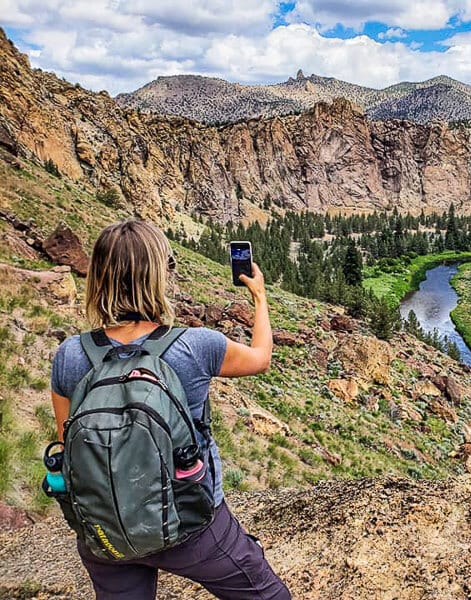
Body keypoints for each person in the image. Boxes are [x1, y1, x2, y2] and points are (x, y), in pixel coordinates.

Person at [50, 220, 291, 600]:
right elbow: (261, 358)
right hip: (192, 526)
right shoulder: (194, 346)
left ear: (97, 278)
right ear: (161, 276)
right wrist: (260, 297)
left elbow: (68, 443)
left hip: (104, 532)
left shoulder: (70, 355)